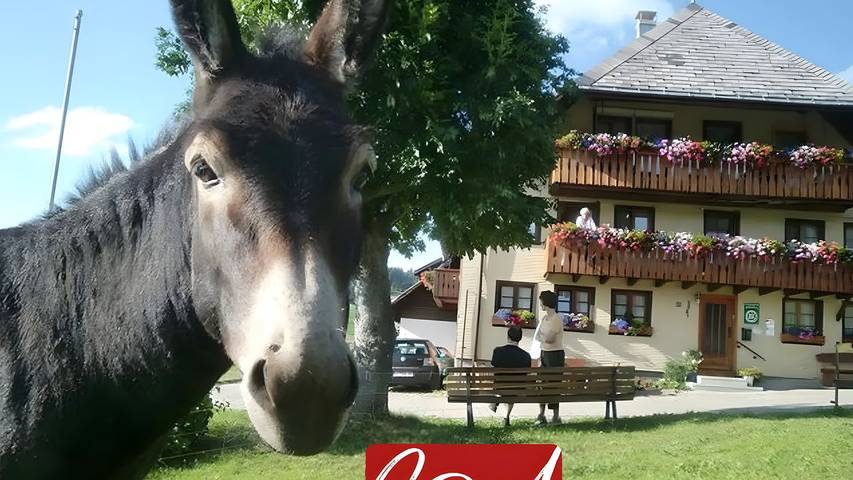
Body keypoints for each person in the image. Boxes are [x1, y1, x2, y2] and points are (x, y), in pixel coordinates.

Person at [488, 325, 531, 427]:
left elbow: (493, 367)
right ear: (520, 339)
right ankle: (506, 417)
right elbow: (527, 374)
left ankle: (496, 398)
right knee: (513, 389)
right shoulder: (526, 356)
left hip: (500, 386)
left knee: (501, 383)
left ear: (508, 337)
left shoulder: (497, 351)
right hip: (517, 389)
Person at [535, 290, 565, 426]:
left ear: (545, 302)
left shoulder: (556, 318)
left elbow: (550, 339)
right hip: (544, 353)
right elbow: (539, 337)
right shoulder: (544, 319)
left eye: (541, 301)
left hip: (555, 355)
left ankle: (555, 416)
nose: (540, 303)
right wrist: (543, 339)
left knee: (554, 384)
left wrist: (543, 338)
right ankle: (541, 415)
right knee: (542, 384)